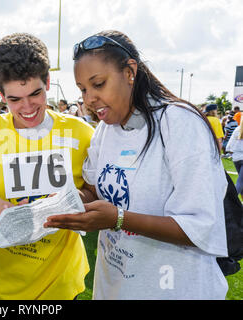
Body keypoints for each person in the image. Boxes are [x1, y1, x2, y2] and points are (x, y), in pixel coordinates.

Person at [45, 30, 228, 299]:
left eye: (98, 84)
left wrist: (118, 218)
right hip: (117, 287)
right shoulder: (105, 130)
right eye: (83, 89)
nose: (88, 99)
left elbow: (200, 227)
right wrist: (67, 202)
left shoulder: (179, 122)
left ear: (130, 71)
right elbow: (95, 190)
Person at [0, 33, 95, 300]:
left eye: (36, 93)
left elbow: (94, 195)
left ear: (47, 82)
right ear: (0, 94)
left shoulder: (80, 133)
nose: (27, 107)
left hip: (59, 277)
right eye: (14, 99)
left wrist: (67, 199)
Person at [227, 121, 243, 196]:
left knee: (241, 182)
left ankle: (239, 206)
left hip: (236, 158)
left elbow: (229, 145)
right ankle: (231, 202)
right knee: (240, 182)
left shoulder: (237, 129)